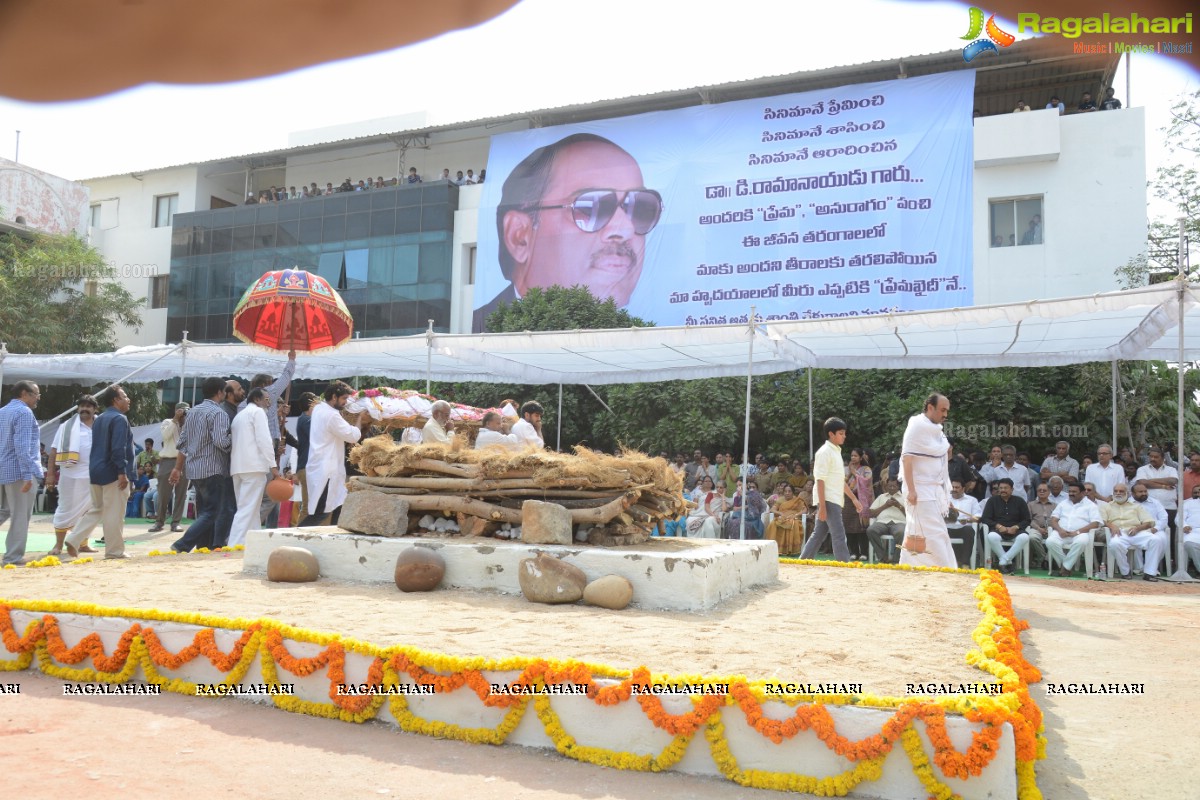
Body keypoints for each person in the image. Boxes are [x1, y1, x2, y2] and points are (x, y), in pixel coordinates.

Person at [474, 133, 662, 331]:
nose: (625, 229)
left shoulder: (642, 345)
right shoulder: (480, 335)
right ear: (519, 236)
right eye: (591, 208)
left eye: (640, 208)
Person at [66, 386, 134, 559]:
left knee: (98, 509)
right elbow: (118, 448)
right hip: (113, 472)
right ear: (115, 400)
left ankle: (74, 538)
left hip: (96, 470)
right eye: (124, 396)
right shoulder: (119, 419)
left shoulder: (100, 419)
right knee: (114, 513)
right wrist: (122, 472)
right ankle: (114, 551)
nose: (128, 400)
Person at [170, 377, 233, 553]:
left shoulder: (193, 412)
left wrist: (178, 468)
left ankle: (203, 547)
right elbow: (222, 442)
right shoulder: (218, 413)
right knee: (212, 512)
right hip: (213, 468)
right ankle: (182, 544)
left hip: (194, 470)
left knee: (204, 511)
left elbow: (182, 443)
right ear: (220, 392)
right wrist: (236, 437)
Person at [899, 393, 956, 569]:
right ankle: (946, 568)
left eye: (947, 411)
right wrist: (912, 489)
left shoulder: (937, 432)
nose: (945, 415)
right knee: (935, 531)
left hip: (933, 490)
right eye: (942, 410)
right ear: (930, 407)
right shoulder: (916, 426)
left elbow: (943, 453)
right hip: (918, 489)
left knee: (919, 531)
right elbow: (907, 459)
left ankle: (909, 566)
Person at [302, 381, 368, 526]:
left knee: (339, 505)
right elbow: (352, 436)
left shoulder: (319, 409)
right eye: (343, 398)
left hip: (324, 466)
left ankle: (335, 536)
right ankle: (294, 540)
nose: (345, 402)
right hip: (327, 470)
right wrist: (359, 420)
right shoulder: (331, 415)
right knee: (321, 512)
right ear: (333, 397)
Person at [798, 418, 862, 562]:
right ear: (831, 434)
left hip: (832, 499)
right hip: (827, 499)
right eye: (841, 433)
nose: (844, 436)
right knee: (838, 533)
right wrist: (822, 506)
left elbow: (840, 481)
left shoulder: (835, 452)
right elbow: (820, 480)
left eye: (844, 433)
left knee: (819, 533)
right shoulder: (825, 452)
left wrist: (853, 498)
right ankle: (844, 564)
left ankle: (803, 561)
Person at [44, 395, 100, 556]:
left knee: (89, 511)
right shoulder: (66, 427)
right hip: (70, 475)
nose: (84, 409)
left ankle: (83, 543)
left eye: (88, 406)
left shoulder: (101, 425)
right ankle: (58, 545)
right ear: (77, 409)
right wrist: (50, 475)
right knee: (65, 508)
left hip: (94, 475)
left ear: (95, 409)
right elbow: (54, 452)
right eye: (81, 406)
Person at [229, 388, 282, 547]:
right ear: (257, 400)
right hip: (254, 467)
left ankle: (251, 543)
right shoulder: (258, 413)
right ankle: (234, 543)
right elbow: (264, 440)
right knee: (248, 508)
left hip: (238, 467)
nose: (269, 403)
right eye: (266, 399)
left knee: (249, 508)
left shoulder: (240, 415)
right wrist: (273, 466)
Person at [0, 381, 44, 565]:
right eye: (36, 394)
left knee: (4, 511)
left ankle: (13, 555)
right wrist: (28, 475)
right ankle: (13, 557)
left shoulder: (3, 411)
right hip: (19, 472)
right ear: (24, 393)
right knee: (19, 516)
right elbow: (22, 446)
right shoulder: (24, 412)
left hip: (3, 469)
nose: (38, 399)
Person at [1104, 484, 1159, 580]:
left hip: (1136, 532)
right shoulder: (1106, 506)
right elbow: (1101, 521)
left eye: (1121, 491)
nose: (1118, 493)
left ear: (1127, 493)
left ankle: (1149, 573)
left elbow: (1149, 522)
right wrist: (1112, 526)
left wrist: (1138, 528)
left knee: (1156, 539)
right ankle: (1125, 572)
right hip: (1119, 532)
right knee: (1114, 544)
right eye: (1116, 491)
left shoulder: (1136, 506)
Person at [1048, 479, 1102, 577]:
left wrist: (1077, 532)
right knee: (1050, 542)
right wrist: (1060, 530)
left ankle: (1064, 568)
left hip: (1080, 534)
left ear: (1082, 493)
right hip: (1062, 532)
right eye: (1070, 491)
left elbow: (1095, 524)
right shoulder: (1063, 503)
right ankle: (1067, 567)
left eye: (1074, 492)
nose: (1071, 494)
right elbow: (1053, 520)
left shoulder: (1091, 506)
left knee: (1081, 542)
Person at [149, 402, 188, 533]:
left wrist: (185, 421)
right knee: (163, 493)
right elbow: (165, 435)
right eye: (181, 411)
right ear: (176, 411)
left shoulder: (189, 424)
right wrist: (175, 420)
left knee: (181, 494)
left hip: (184, 461)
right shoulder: (167, 422)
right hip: (168, 461)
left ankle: (176, 522)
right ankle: (159, 521)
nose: (183, 414)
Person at [980, 478, 1032, 574]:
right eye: (1001, 488)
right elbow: (985, 518)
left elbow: (1027, 520)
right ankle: (1008, 562)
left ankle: (1003, 561)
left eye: (1006, 488)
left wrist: (1016, 527)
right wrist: (998, 526)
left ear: (1012, 489)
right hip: (998, 530)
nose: (1003, 490)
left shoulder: (1020, 501)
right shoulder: (992, 501)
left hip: (1015, 530)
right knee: (991, 536)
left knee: (1024, 537)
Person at [1131, 482, 1170, 581]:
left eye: (1145, 491)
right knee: (1134, 540)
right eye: (1140, 492)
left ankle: (1151, 568)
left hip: (1154, 528)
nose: (1144, 493)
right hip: (1136, 529)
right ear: (1133, 493)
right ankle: (1139, 568)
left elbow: (1164, 517)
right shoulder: (1128, 503)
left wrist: (1155, 528)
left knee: (1162, 539)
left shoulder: (1155, 502)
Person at [865, 478, 906, 564]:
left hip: (898, 523)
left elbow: (910, 515)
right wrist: (885, 505)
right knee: (871, 530)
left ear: (898, 487)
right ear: (886, 486)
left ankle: (896, 560)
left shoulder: (904, 497)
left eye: (894, 486)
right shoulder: (881, 497)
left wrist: (898, 506)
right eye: (889, 486)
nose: (891, 488)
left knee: (902, 532)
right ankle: (883, 558)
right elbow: (871, 513)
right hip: (882, 522)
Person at [844, 448, 874, 560]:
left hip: (861, 500)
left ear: (861, 458)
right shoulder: (846, 469)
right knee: (849, 526)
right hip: (848, 500)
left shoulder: (866, 469)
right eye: (852, 456)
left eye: (855, 456)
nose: (853, 458)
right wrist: (849, 474)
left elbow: (866, 482)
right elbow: (843, 483)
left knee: (861, 527)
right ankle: (853, 552)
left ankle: (864, 553)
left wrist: (854, 473)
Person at [947, 479, 983, 568]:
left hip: (963, 529)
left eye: (957, 487)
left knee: (969, 529)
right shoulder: (945, 500)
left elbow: (977, 516)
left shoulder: (972, 500)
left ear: (963, 488)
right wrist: (951, 511)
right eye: (952, 487)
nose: (954, 489)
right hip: (948, 528)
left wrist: (968, 521)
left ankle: (965, 563)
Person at [764, 482, 805, 556]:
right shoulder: (780, 500)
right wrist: (780, 513)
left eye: (789, 491)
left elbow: (804, 510)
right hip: (782, 517)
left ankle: (790, 550)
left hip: (794, 518)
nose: (787, 493)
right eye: (785, 491)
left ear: (793, 492)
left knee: (793, 523)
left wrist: (796, 514)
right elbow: (772, 510)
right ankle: (776, 549)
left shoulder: (797, 500)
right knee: (773, 524)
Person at [1181, 485, 1200, 577]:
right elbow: (1179, 518)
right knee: (1189, 544)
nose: (1198, 494)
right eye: (1196, 492)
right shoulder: (1188, 503)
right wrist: (1185, 526)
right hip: (1192, 531)